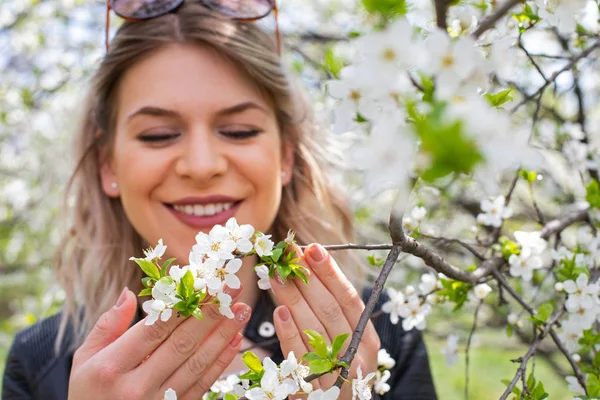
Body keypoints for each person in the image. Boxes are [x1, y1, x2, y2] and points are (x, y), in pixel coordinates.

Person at [2, 2, 437, 399]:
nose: (202, 164)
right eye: (158, 135)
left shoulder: (377, 336)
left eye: (240, 130)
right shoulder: (43, 366)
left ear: (286, 156)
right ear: (108, 166)